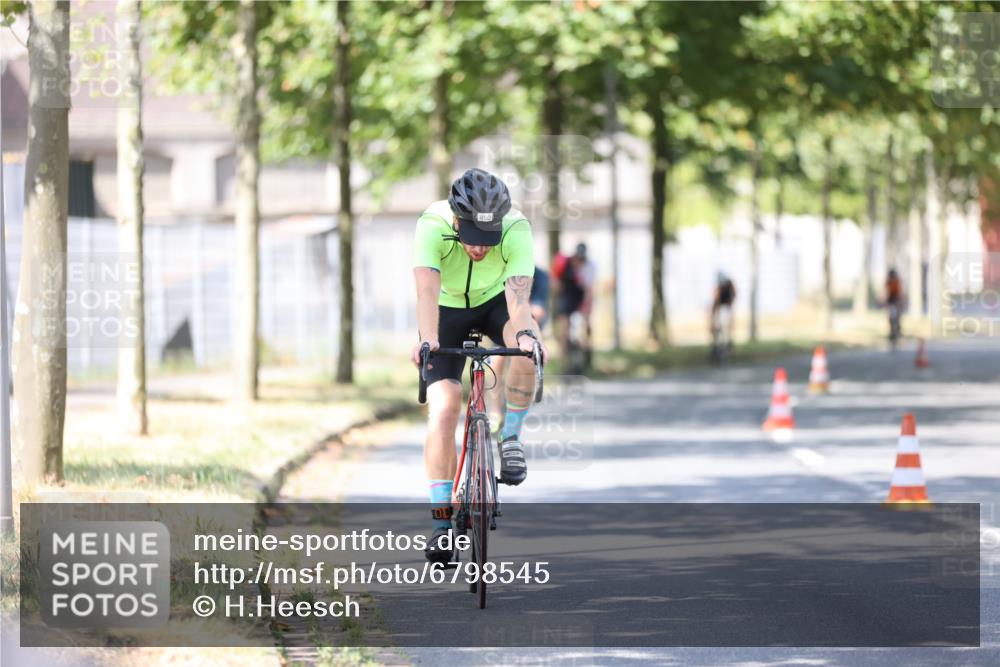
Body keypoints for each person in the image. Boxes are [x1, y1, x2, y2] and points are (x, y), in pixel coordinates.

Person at [411, 168, 548, 564]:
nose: (480, 249)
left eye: (488, 241)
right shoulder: (432, 226)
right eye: (472, 239)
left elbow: (519, 304)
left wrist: (526, 337)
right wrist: (427, 338)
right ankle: (440, 521)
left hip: (494, 304)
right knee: (444, 408)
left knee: (528, 348)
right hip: (446, 310)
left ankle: (511, 438)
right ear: (456, 220)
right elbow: (426, 292)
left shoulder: (517, 227)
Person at [487, 266, 550, 432]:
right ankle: (495, 408)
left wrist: (522, 311)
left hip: (529, 322)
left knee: (524, 360)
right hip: (506, 320)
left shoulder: (540, 276)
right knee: (497, 359)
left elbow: (539, 308)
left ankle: (513, 415)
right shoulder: (504, 270)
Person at [552, 243, 595, 368]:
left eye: (581, 259)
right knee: (563, 328)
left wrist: (586, 307)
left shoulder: (589, 267)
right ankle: (563, 361)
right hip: (567, 296)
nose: (579, 262)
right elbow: (555, 283)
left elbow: (589, 290)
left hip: (581, 296)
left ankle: (586, 352)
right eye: (578, 258)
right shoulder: (565, 264)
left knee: (585, 325)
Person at [710, 272, 736, 352]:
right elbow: (716, 301)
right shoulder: (719, 287)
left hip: (726, 308)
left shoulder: (729, 285)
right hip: (720, 309)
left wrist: (730, 304)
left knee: (726, 326)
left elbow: (733, 295)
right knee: (718, 327)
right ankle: (716, 345)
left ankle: (727, 343)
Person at [885, 268, 904, 343]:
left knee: (897, 317)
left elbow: (900, 293)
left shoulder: (897, 281)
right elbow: (886, 292)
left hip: (896, 299)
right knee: (891, 317)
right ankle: (892, 332)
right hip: (891, 300)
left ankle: (898, 331)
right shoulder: (888, 282)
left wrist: (900, 302)